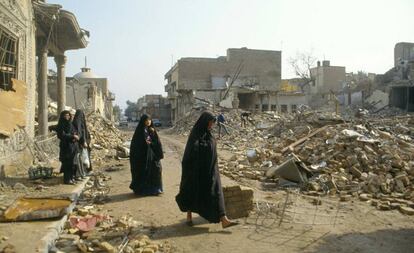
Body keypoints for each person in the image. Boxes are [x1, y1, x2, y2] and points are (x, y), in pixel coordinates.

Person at [176, 111, 238, 228]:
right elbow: (193, 150)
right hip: (196, 171)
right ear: (204, 122)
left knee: (216, 192)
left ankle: (224, 219)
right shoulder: (195, 134)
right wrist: (207, 146)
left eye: (212, 123)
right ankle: (189, 216)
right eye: (210, 123)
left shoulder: (208, 134)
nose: (211, 126)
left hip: (210, 169)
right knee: (192, 191)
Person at [129, 114, 164, 195]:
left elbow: (156, 143)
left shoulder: (151, 130)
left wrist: (153, 133)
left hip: (152, 156)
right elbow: (138, 145)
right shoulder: (140, 131)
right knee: (144, 172)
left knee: (157, 169)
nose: (148, 122)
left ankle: (156, 189)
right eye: (146, 120)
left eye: (149, 120)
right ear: (143, 121)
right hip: (143, 157)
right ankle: (144, 190)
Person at [56, 110, 79, 185]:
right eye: (65, 115)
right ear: (62, 116)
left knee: (72, 163)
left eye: (68, 115)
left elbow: (73, 131)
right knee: (67, 163)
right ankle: (67, 180)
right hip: (65, 147)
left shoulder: (70, 124)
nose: (67, 117)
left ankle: (71, 178)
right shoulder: (61, 125)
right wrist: (72, 136)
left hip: (72, 146)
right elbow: (61, 135)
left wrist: (75, 136)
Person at [72, 110, 90, 179]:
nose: (82, 117)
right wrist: (83, 142)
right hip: (78, 145)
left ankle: (82, 173)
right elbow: (79, 134)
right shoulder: (76, 124)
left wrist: (86, 141)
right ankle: (78, 175)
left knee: (82, 160)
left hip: (83, 145)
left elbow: (85, 133)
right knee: (78, 160)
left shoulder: (82, 124)